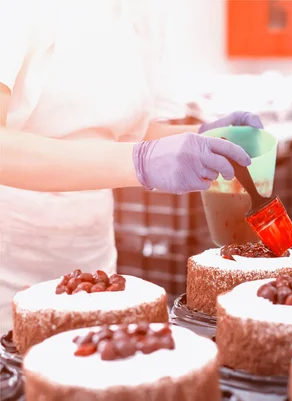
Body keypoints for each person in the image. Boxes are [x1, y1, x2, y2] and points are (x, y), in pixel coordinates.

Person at [0, 1, 263, 331]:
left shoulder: (131, 13)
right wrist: (141, 161)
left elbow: (115, 132)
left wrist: (200, 136)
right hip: (11, 268)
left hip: (93, 261)